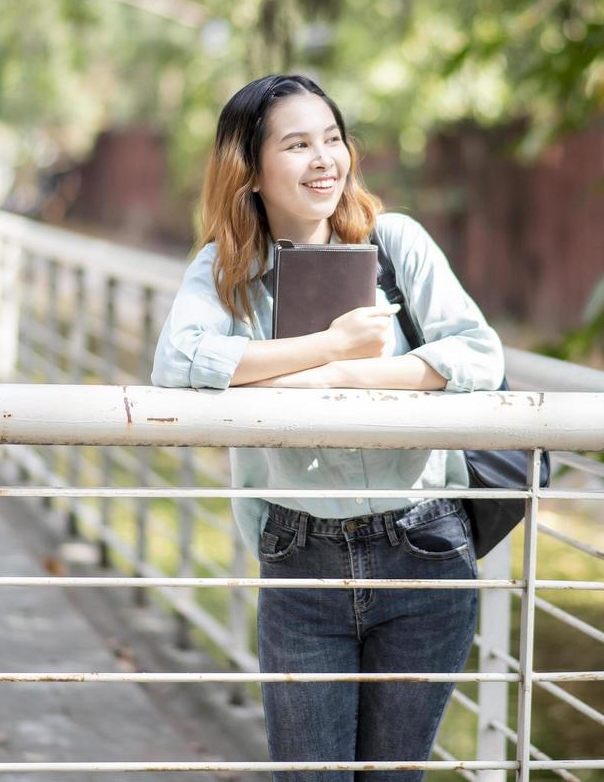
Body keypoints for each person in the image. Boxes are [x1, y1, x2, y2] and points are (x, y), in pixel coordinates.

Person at [151, 73, 505, 781]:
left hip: (423, 544)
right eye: (297, 144)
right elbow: (178, 362)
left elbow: (478, 355)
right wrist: (330, 349)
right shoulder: (226, 271)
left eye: (332, 139)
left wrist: (345, 379)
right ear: (249, 171)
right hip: (299, 550)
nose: (324, 160)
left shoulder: (395, 243)